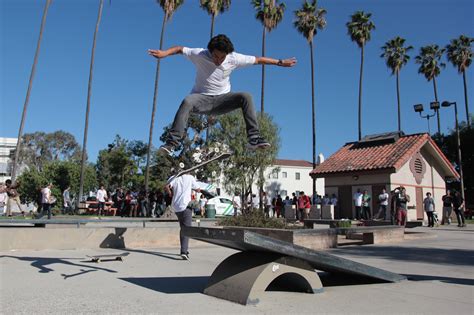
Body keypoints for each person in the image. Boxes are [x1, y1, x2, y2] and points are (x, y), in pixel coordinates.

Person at [148, 34, 296, 155]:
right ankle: (171, 143)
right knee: (187, 101)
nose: (218, 60)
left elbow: (258, 60)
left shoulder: (234, 58)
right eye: (215, 56)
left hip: (223, 101)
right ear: (210, 51)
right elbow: (180, 49)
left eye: (222, 57)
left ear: (228, 54)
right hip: (202, 99)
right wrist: (164, 53)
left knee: (246, 96)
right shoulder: (199, 54)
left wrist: (280, 62)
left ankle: (254, 138)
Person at [165, 174, 207, 260]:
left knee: (183, 228)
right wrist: (199, 190)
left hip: (176, 207)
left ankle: (184, 249)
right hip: (185, 206)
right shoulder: (190, 177)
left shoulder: (174, 177)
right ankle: (184, 251)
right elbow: (198, 188)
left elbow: (166, 186)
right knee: (187, 229)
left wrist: (170, 194)